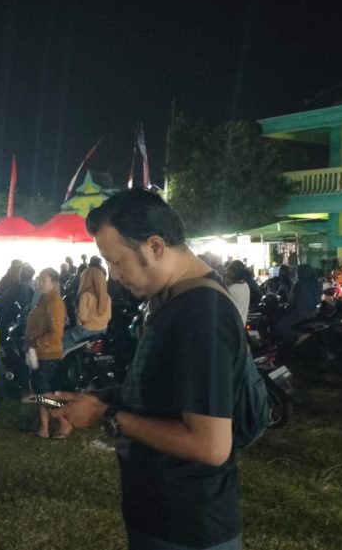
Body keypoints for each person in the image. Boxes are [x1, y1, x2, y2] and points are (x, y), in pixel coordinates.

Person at [53, 189, 247, 550]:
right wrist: (104, 398)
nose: (114, 276)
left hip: (186, 527)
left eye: (117, 262)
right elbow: (168, 392)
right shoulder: (176, 299)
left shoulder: (202, 314)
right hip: (162, 515)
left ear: (155, 246)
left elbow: (210, 445)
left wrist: (107, 414)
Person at [23, 267, 72, 439]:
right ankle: (43, 428)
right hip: (38, 353)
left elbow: (56, 332)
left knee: (44, 392)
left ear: (54, 283)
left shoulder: (54, 302)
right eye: (39, 278)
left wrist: (35, 342)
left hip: (47, 354)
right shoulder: (43, 299)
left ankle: (64, 421)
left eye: (44, 280)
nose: (39, 282)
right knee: (41, 392)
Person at [63, 262, 112, 347]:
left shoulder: (85, 295)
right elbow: (109, 316)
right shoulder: (106, 296)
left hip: (86, 330)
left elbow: (83, 317)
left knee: (61, 339)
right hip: (103, 330)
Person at [224, 260, 251, 326]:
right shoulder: (245, 286)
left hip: (231, 328)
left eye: (230, 271)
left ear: (236, 273)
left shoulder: (231, 290)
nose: (227, 273)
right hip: (241, 326)